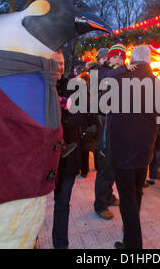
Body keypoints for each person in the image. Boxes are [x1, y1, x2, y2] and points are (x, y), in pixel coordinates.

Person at [107, 45, 160, 249]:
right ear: (149, 60)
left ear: (132, 59)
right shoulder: (158, 83)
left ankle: (132, 245)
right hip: (145, 149)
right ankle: (129, 232)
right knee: (137, 192)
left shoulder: (120, 79)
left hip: (123, 150)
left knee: (128, 199)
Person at [52, 50, 91, 249]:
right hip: (42, 160)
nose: (59, 67)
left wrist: (64, 110)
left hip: (67, 159)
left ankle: (61, 244)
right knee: (33, 206)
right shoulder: (38, 86)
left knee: (62, 204)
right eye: (55, 63)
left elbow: (84, 116)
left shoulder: (71, 86)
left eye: (61, 63)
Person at [93, 44, 136, 220]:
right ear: (109, 58)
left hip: (119, 126)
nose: (118, 60)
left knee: (114, 165)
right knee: (106, 166)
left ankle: (108, 196)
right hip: (106, 127)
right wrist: (124, 69)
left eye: (121, 58)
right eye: (115, 57)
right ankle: (99, 204)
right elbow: (107, 78)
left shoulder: (121, 73)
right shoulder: (102, 71)